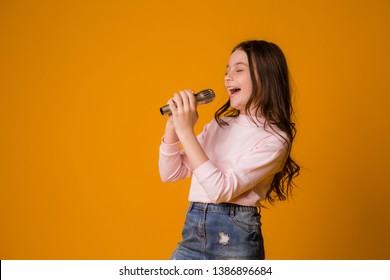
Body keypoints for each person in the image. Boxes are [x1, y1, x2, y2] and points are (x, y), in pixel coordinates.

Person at [158, 40, 300, 260]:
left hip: (235, 242)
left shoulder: (274, 140)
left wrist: (186, 132)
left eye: (239, 69)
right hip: (193, 236)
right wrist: (173, 126)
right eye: (226, 70)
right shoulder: (219, 125)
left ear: (266, 76)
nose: (228, 76)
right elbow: (170, 173)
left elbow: (220, 190)